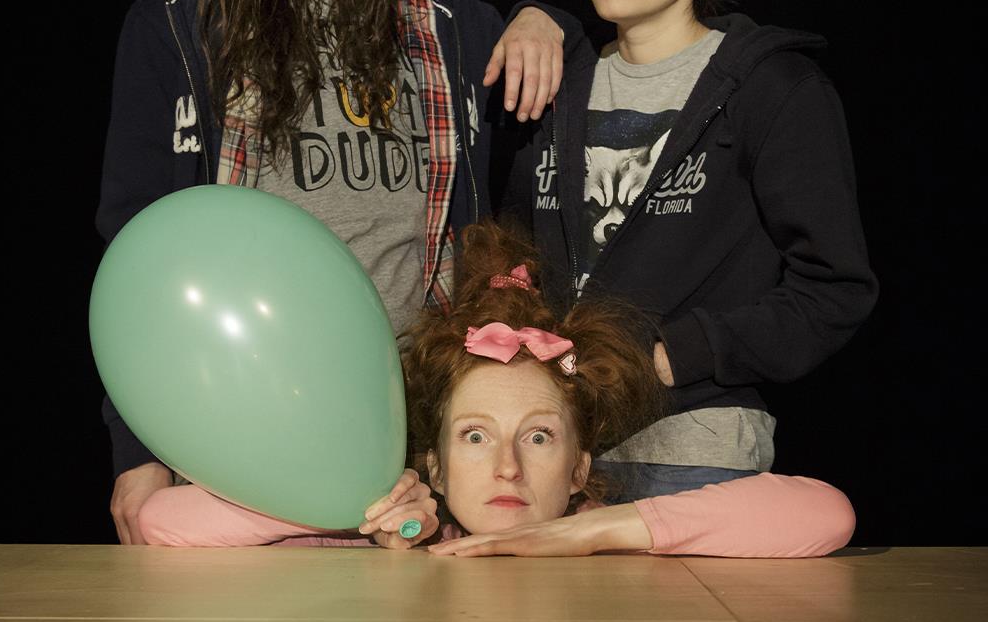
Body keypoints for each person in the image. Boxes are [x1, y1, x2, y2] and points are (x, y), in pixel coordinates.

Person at [97, 0, 567, 545]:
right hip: (247, 413)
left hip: (416, 421)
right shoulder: (180, 15)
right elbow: (136, 248)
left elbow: (571, 85)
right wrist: (137, 450)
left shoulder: (437, 9)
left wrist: (546, 16)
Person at [497, 0, 878, 502]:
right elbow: (513, 250)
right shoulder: (555, 85)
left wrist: (682, 354)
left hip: (691, 445)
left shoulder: (771, 89)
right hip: (552, 447)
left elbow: (835, 289)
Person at [138, 222, 855, 558]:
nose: (507, 468)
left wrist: (594, 532)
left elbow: (825, 513)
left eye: (538, 436)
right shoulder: (407, 533)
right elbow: (163, 519)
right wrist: (354, 508)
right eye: (474, 436)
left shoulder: (606, 538)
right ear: (436, 464)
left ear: (579, 467)